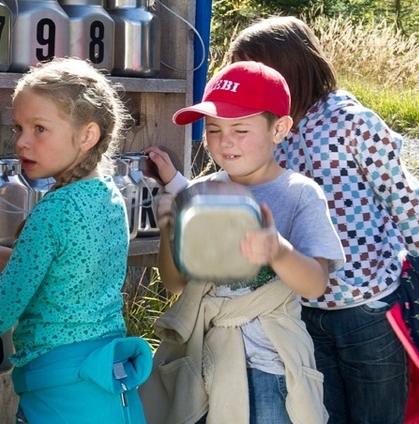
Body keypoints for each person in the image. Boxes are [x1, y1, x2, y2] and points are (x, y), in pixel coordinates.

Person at [228, 16, 419, 424]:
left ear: (290, 68)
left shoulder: (352, 121)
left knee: (377, 414)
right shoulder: (273, 131)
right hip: (304, 304)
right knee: (323, 413)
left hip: (367, 304)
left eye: (257, 71)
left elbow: (402, 195)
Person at [0, 57, 152, 424]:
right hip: (107, 384)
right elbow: (74, 268)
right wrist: (7, 257)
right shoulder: (109, 196)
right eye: (18, 127)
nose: (21, 142)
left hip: (59, 395)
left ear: (87, 136)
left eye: (39, 129)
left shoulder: (53, 211)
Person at [138, 61, 345, 424]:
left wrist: (277, 251)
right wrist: (169, 233)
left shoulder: (299, 194)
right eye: (214, 129)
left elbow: (315, 284)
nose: (225, 141)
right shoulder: (200, 193)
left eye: (240, 129)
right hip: (205, 362)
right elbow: (176, 283)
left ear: (279, 129)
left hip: (272, 370)